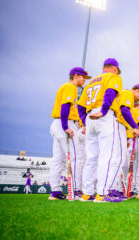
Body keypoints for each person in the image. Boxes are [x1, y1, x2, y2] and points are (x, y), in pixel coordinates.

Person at [77, 58, 123, 202]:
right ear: (115, 68)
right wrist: (103, 111)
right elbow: (110, 92)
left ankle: (87, 193)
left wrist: (85, 122)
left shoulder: (91, 82)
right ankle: (101, 194)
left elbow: (80, 105)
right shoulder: (113, 77)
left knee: (91, 158)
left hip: (91, 116)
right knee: (106, 156)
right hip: (105, 115)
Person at [49, 67, 90, 200]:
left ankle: (55, 191)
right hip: (64, 123)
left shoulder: (66, 86)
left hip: (57, 124)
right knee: (77, 157)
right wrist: (66, 126)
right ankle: (77, 190)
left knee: (57, 160)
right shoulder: (70, 87)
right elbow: (65, 106)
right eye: (83, 77)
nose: (84, 80)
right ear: (76, 76)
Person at [112, 84, 139, 199]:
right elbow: (124, 111)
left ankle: (114, 188)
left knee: (119, 159)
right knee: (118, 160)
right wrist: (134, 126)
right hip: (117, 124)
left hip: (119, 126)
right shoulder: (128, 93)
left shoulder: (126, 94)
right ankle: (113, 188)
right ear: (138, 91)